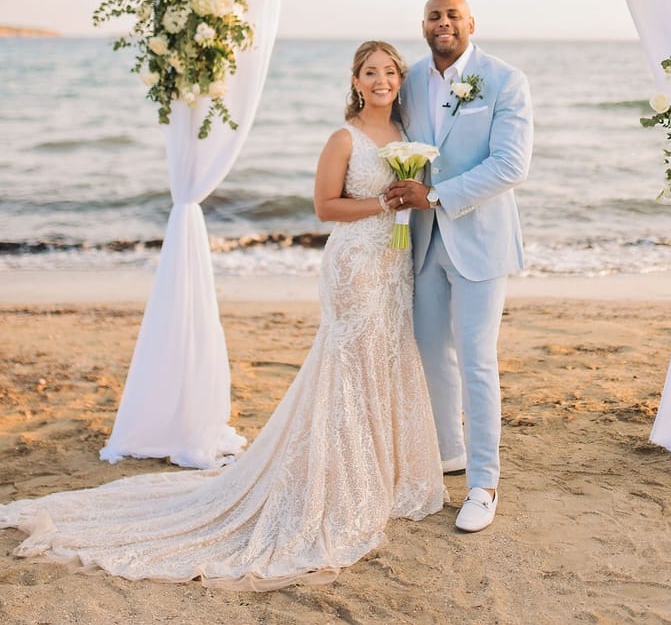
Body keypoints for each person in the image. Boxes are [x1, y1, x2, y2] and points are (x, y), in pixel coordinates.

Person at [0, 41, 444, 590]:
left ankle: (380, 474)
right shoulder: (344, 137)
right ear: (355, 81)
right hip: (354, 266)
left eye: (390, 72)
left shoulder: (406, 134)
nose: (381, 80)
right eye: (370, 72)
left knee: (386, 358)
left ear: (400, 79)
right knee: (348, 367)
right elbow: (324, 207)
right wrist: (384, 204)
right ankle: (340, 482)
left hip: (393, 264)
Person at [385, 0, 533, 533]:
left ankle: (484, 484)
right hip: (424, 242)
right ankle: (450, 452)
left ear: (471, 22)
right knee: (430, 351)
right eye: (434, 16)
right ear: (423, 26)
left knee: (476, 359)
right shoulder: (409, 80)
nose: (443, 23)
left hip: (480, 240)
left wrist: (436, 195)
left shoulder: (505, 80)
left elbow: (511, 165)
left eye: (452, 15)